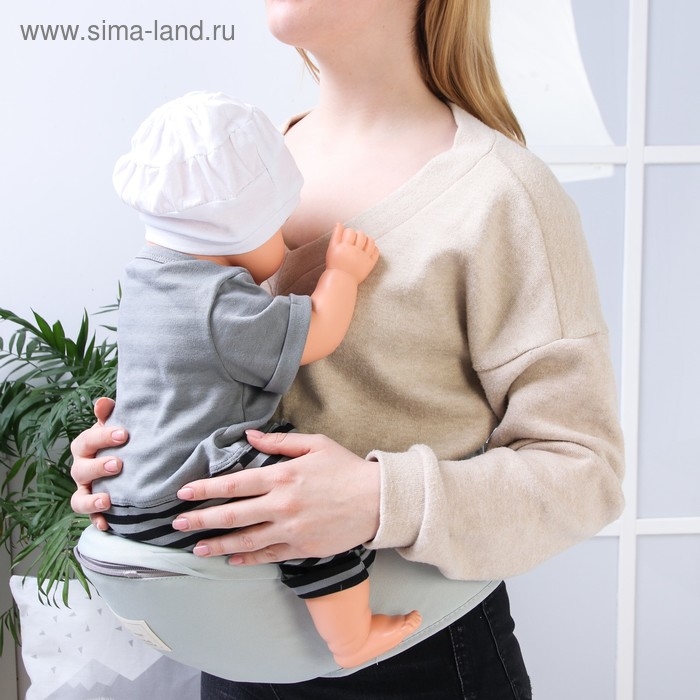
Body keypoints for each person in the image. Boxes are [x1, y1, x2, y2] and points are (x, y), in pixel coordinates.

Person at [71, 1, 625, 697]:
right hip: (233, 651)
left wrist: (377, 498)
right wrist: (127, 460)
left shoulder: (501, 194)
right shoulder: (226, 171)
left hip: (416, 657)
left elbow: (585, 476)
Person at [92, 90, 420, 669]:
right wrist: (342, 275)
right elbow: (317, 333)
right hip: (186, 487)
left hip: (123, 491)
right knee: (310, 502)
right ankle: (351, 637)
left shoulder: (142, 281)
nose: (289, 242)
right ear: (234, 233)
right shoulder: (218, 303)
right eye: (279, 229)